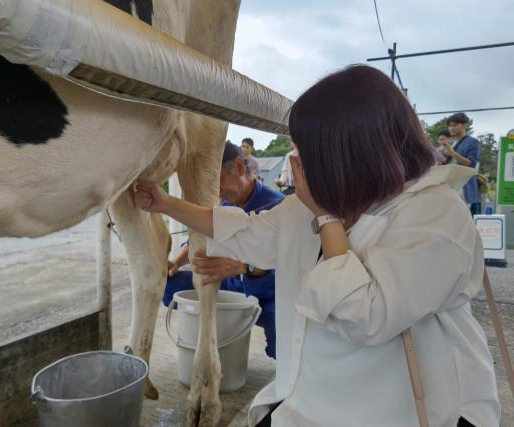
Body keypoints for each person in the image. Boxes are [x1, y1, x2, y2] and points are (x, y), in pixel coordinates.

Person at [134, 65, 499, 426]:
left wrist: (326, 217)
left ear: (349, 151)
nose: (297, 163)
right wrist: (165, 204)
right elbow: (245, 232)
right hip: (307, 402)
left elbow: (365, 316)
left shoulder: (435, 214)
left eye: (304, 150)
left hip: (403, 413)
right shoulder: (312, 204)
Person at [165, 142, 283, 358]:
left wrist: (242, 266)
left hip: (268, 296)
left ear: (239, 167)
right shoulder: (224, 203)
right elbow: (201, 237)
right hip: (228, 287)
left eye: (217, 181)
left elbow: (287, 264)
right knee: (166, 284)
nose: (216, 191)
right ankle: (218, 327)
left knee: (283, 345)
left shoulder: (279, 207)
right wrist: (176, 262)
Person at [440, 112, 482, 214]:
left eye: (455, 125)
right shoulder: (452, 143)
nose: (451, 128)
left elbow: (470, 163)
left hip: (464, 188)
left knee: (463, 218)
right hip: (450, 187)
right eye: (450, 126)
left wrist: (452, 153)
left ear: (464, 125)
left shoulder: (473, 142)